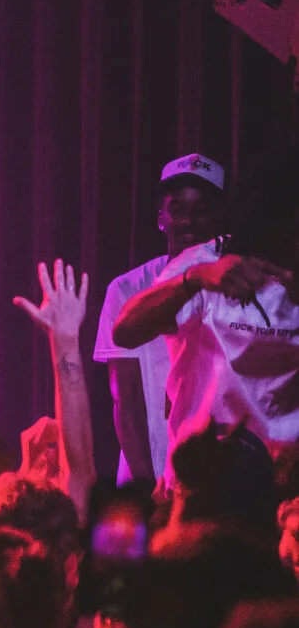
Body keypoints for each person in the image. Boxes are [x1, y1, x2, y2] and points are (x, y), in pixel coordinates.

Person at [109, 152, 299, 481]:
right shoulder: (208, 259)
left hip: (282, 484)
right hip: (204, 479)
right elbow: (125, 331)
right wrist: (195, 279)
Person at [93, 155, 226, 485]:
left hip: (216, 474)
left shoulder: (237, 283)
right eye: (178, 208)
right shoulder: (128, 289)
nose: (188, 220)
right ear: (160, 218)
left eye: (201, 209)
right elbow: (124, 397)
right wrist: (145, 485)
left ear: (217, 216)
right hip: (148, 469)